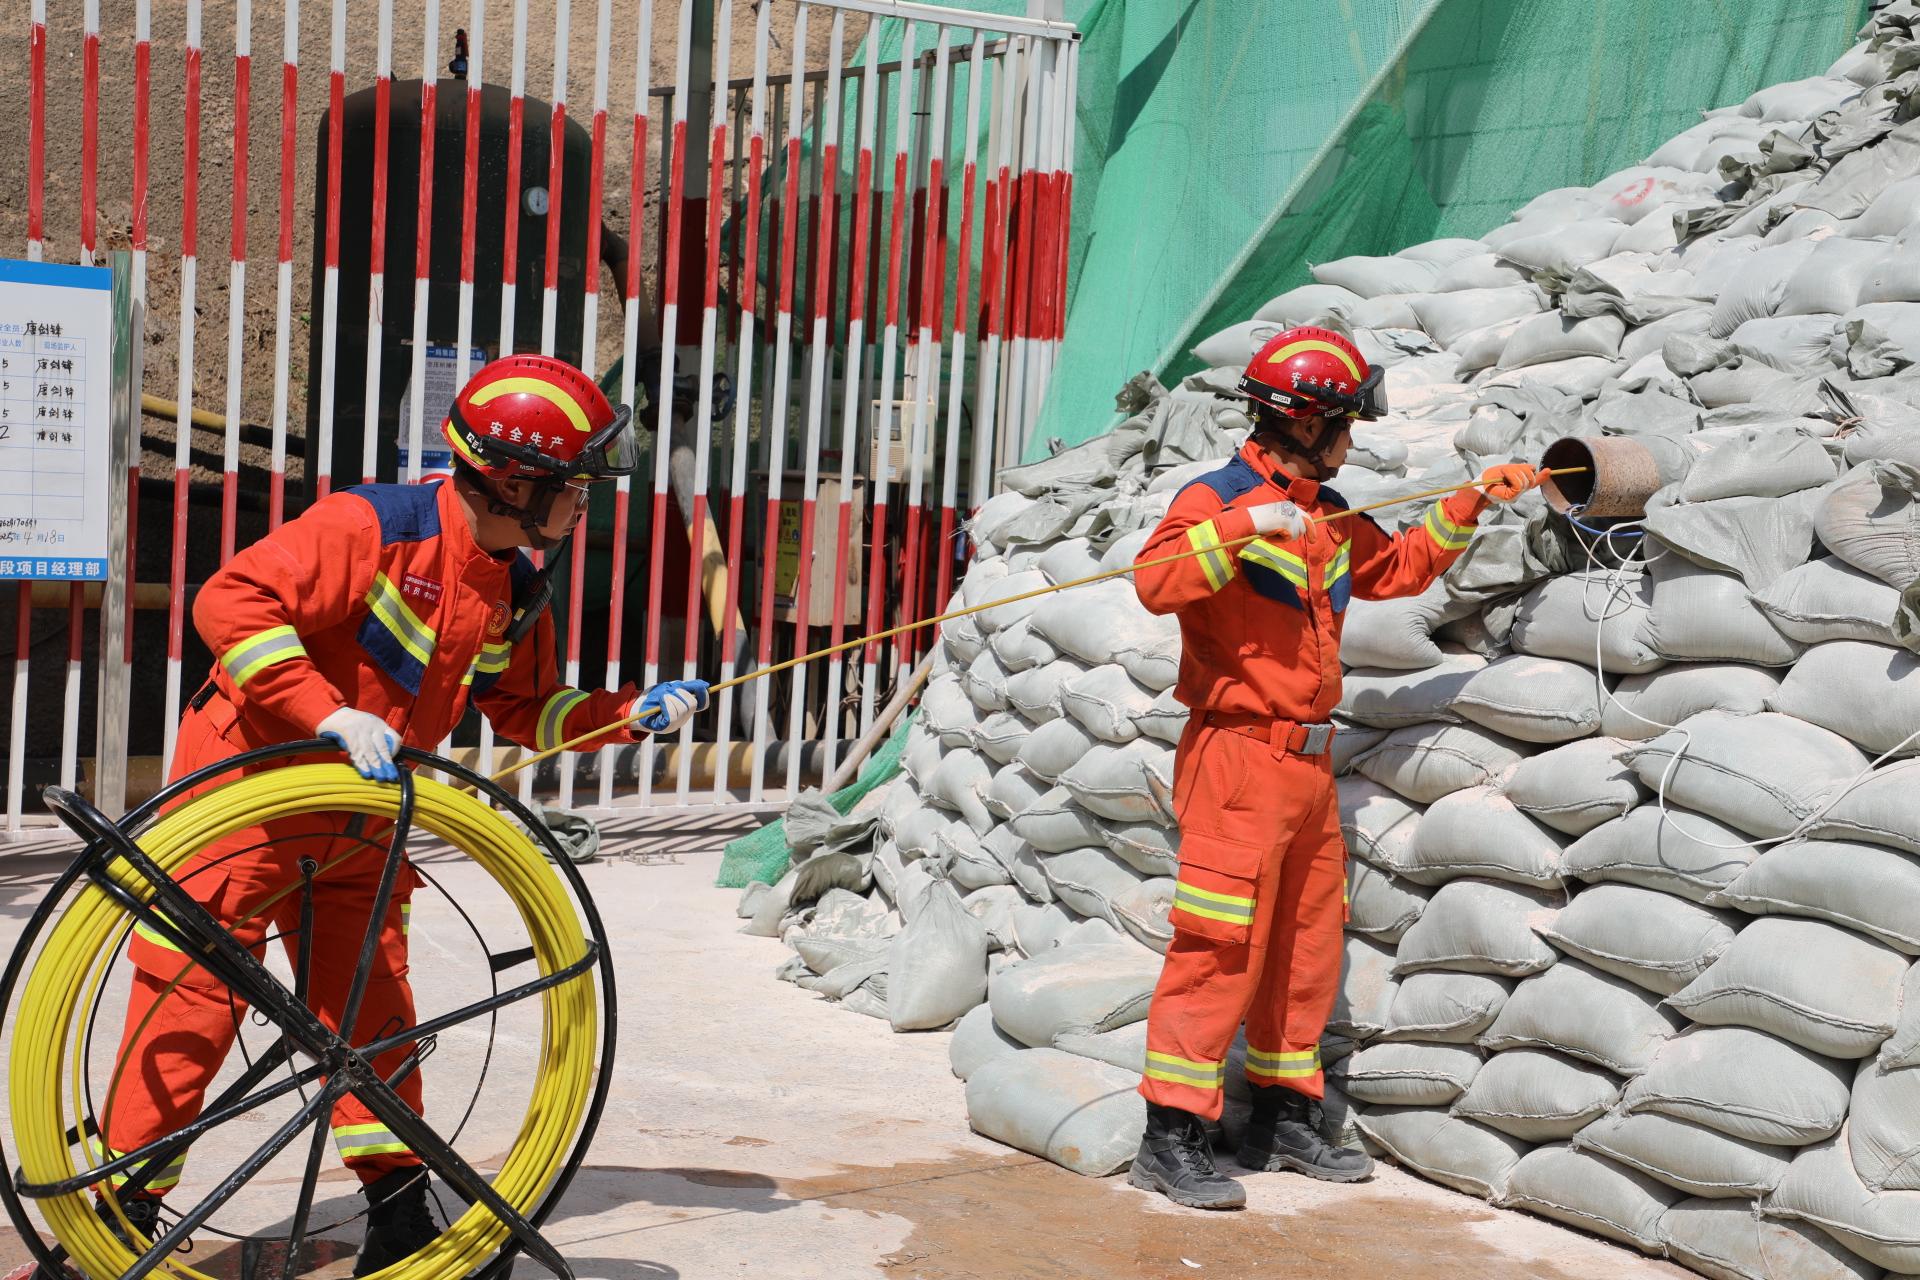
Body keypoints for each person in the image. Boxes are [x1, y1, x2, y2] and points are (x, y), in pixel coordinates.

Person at [78, 355, 708, 1274]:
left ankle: (400, 1213)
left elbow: (527, 712)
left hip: (361, 820)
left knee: (373, 1013)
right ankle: (122, 1212)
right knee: (192, 1004)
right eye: (575, 486)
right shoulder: (372, 527)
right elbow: (231, 599)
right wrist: (325, 711)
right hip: (243, 805)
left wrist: (626, 714)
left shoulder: (511, 586)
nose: (585, 505)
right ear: (515, 483)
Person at [1126, 326, 1543, 1209]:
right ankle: (1170, 1135)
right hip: (1237, 758)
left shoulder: (1331, 512)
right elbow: (1155, 582)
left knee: (1306, 947)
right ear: (1307, 422)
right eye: (1346, 423)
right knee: (1218, 949)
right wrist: (1244, 527)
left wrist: (1472, 500)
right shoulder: (1216, 498)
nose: (1353, 439)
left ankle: (1281, 1118)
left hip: (1308, 768)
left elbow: (1401, 569)